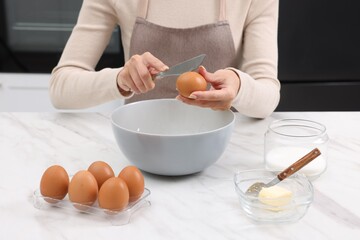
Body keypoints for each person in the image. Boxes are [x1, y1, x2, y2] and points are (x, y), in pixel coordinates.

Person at [49, 0, 280, 118]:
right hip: (141, 144)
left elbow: (268, 96)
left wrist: (239, 86)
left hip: (219, 154)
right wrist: (120, 79)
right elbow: (61, 89)